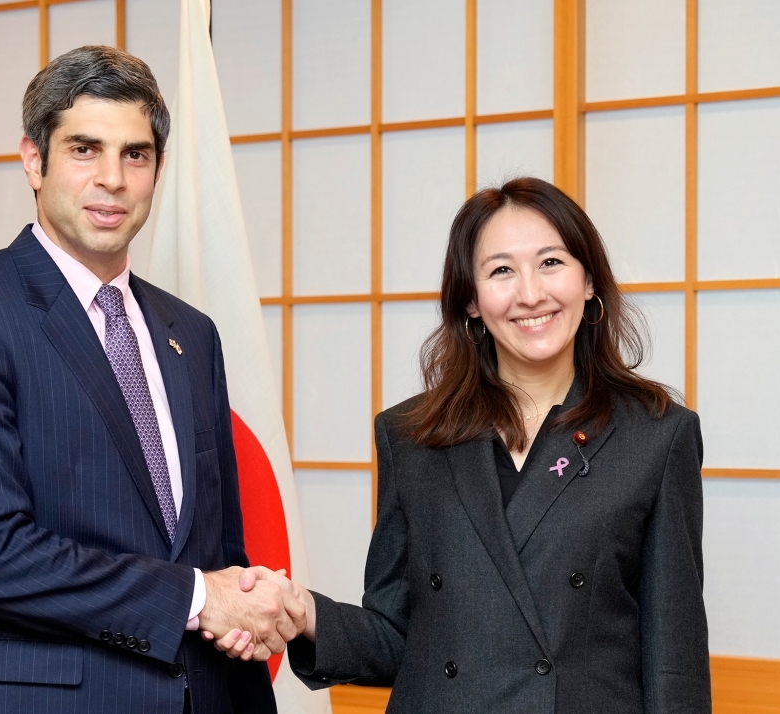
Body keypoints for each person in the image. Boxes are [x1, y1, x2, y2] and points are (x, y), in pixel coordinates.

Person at [0, 46, 302, 714]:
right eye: (84, 150)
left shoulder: (192, 333)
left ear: (157, 170)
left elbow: (221, 554)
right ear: (34, 161)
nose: (112, 179)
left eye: (135, 155)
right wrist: (196, 598)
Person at [223, 177, 711, 713]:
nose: (530, 293)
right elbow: (399, 634)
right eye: (501, 271)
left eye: (551, 262)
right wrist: (305, 613)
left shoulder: (656, 436)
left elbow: (675, 661)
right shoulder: (413, 435)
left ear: (589, 280)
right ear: (472, 301)